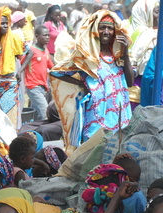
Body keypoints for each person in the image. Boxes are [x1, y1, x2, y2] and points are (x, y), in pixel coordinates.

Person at [51, 10, 133, 146]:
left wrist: (126, 53)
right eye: (102, 28)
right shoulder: (86, 56)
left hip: (119, 113)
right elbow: (57, 72)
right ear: (95, 30)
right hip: (97, 114)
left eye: (110, 28)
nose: (106, 31)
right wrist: (82, 85)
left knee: (117, 151)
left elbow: (129, 82)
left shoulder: (118, 55)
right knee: (94, 152)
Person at [18, 25, 54, 121]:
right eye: (44, 35)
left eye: (48, 35)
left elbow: (51, 67)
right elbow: (21, 64)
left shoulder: (46, 51)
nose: (47, 38)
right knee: (45, 112)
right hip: (33, 86)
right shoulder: (31, 51)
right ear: (37, 36)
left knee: (37, 115)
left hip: (43, 87)